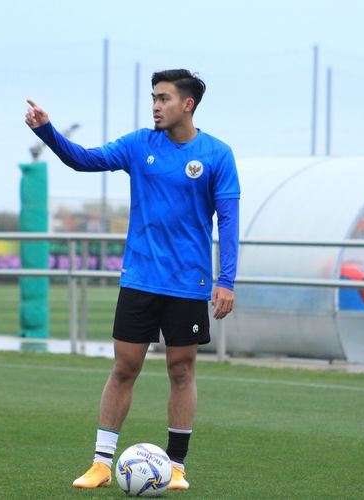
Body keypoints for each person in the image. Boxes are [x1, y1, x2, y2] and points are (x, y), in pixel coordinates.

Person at [24, 69, 240, 491]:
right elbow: (82, 159)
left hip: (188, 282)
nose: (156, 106)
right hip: (139, 277)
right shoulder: (140, 144)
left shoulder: (217, 154)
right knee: (124, 367)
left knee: (182, 370)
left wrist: (226, 279)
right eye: (154, 98)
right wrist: (47, 131)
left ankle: (176, 467)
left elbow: (228, 221)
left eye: (164, 98)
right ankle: (102, 464)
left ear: (187, 104)